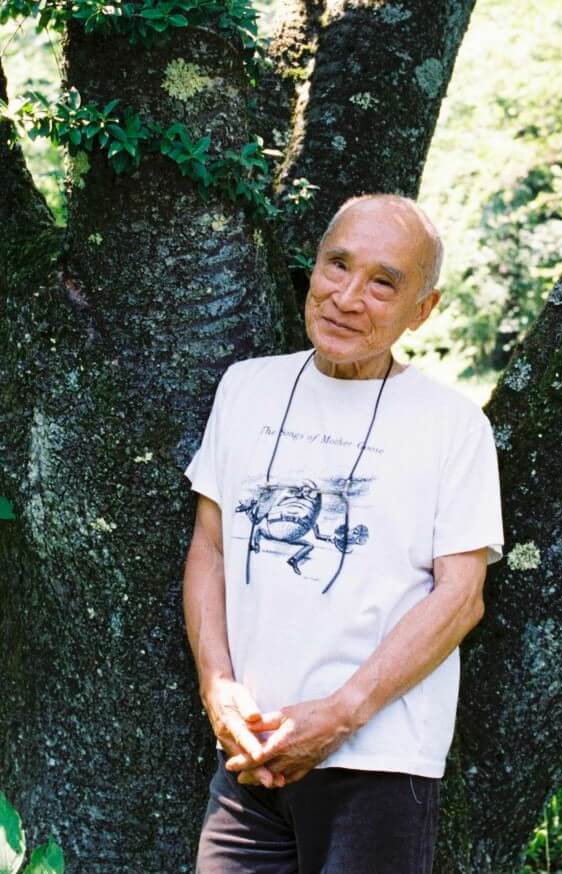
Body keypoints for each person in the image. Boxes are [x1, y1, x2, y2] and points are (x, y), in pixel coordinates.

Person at [182, 192, 505, 873]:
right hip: (250, 755)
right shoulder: (245, 388)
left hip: (379, 763)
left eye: (383, 282)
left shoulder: (452, 426)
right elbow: (210, 546)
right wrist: (217, 685)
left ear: (423, 310)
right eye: (338, 265)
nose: (347, 297)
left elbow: (460, 597)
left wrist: (340, 715)